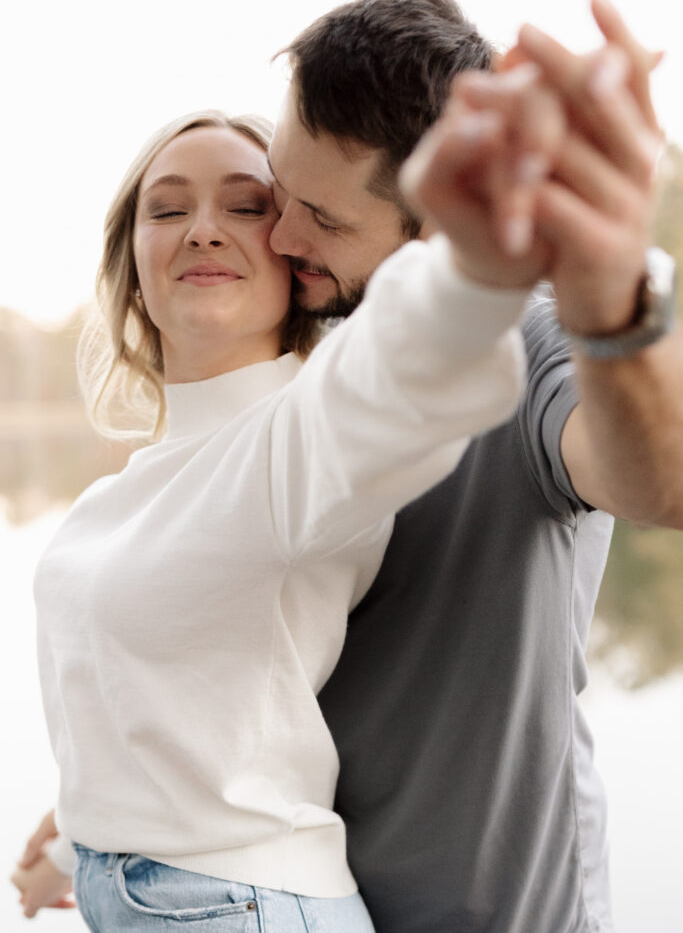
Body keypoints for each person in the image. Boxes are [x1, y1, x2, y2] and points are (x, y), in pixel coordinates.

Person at [10, 105, 529, 931]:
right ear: (133, 264)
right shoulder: (125, 494)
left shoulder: (301, 436)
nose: (204, 230)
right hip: (148, 896)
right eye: (169, 208)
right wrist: (74, 844)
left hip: (243, 905)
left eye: (246, 206)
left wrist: (474, 238)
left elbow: (419, 368)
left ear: (299, 255)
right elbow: (170, 724)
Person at [263, 0, 682, 933]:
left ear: (436, 226)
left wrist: (610, 296)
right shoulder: (298, 374)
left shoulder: (530, 347)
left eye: (323, 223)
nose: (282, 239)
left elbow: (661, 478)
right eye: (281, 195)